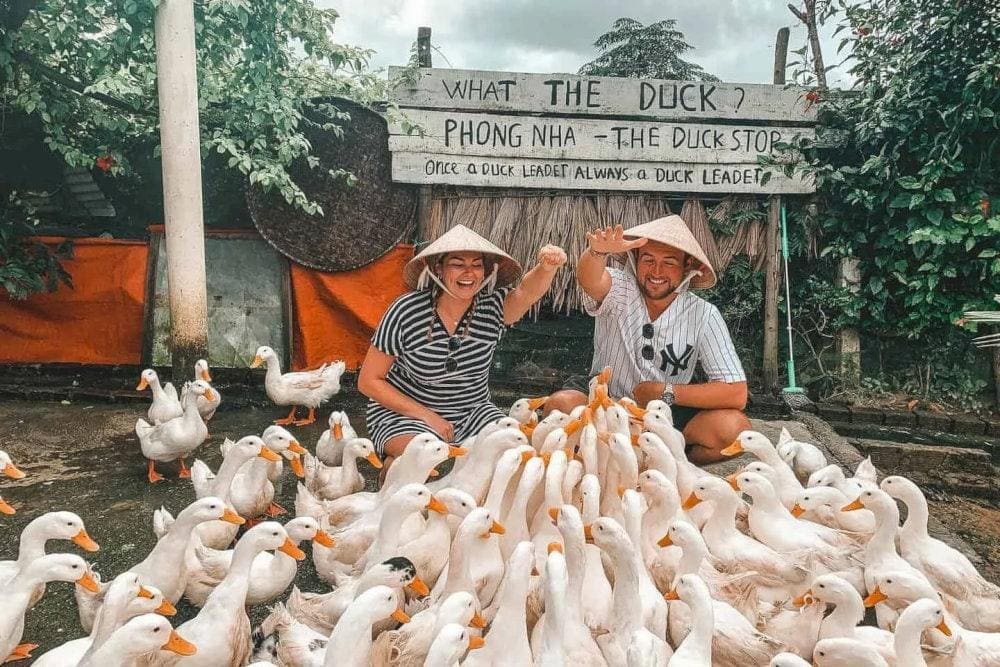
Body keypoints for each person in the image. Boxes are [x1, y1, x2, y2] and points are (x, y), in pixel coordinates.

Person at [358, 224, 567, 475]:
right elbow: (369, 381)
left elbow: (525, 293)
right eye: (458, 264)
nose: (469, 272)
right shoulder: (406, 310)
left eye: (477, 265)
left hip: (472, 412)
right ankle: (394, 472)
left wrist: (547, 268)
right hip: (406, 414)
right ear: (438, 268)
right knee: (423, 457)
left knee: (511, 452)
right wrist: (427, 416)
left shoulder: (493, 307)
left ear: (486, 271)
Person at [547, 217, 750, 464]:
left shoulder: (704, 314)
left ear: (687, 267)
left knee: (734, 430)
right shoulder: (620, 289)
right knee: (561, 406)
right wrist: (597, 252)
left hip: (666, 414)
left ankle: (670, 464)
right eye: (648, 260)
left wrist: (665, 392)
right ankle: (597, 462)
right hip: (605, 402)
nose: (656, 272)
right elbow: (589, 280)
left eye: (669, 262)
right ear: (635, 259)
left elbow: (735, 392)